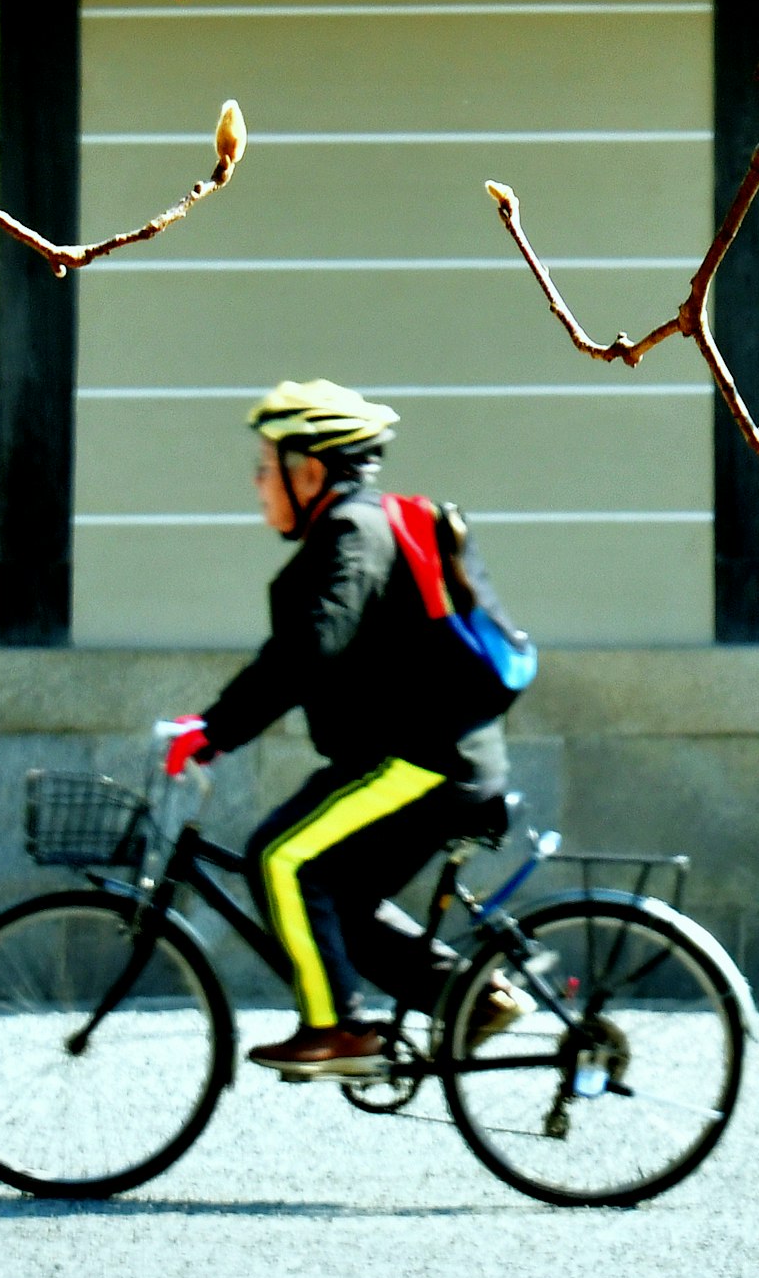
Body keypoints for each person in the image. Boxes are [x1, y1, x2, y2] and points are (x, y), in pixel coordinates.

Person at [160, 380, 528, 1076]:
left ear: (311, 470)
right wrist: (218, 723)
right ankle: (472, 999)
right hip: (427, 755)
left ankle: (337, 1031)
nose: (258, 482)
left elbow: (308, 648)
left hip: (423, 760)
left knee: (280, 855)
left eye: (267, 467)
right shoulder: (368, 525)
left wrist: (216, 729)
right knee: (338, 898)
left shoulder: (352, 534)